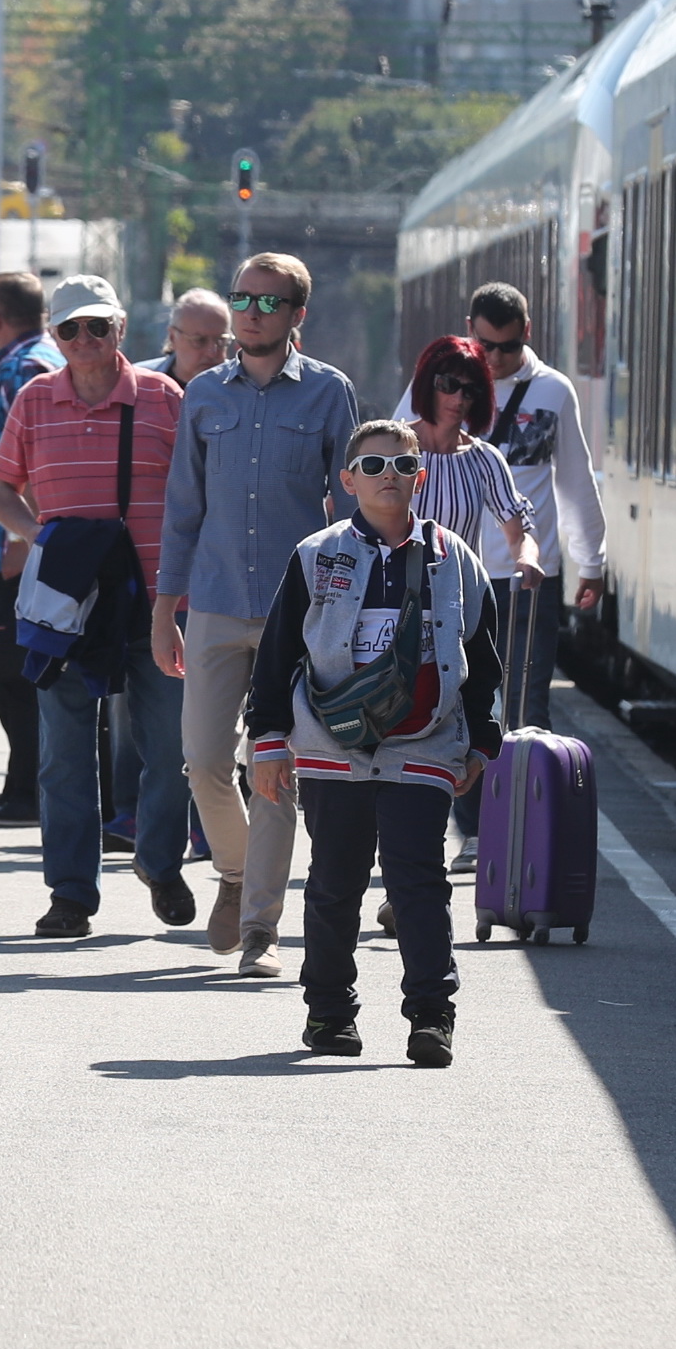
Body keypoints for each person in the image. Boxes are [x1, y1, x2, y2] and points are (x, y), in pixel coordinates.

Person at [248, 418, 501, 1069]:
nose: (391, 477)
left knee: (419, 880)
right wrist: (269, 741)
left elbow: (484, 659)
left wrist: (482, 743)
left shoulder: (456, 559)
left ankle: (431, 1016)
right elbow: (276, 658)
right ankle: (330, 1013)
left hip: (426, 740)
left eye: (405, 466)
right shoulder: (315, 555)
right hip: (332, 742)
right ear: (349, 479)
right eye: (376, 466)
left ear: (422, 476)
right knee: (335, 881)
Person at [152, 252, 360, 974]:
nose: (250, 312)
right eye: (243, 298)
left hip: (297, 613)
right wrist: (163, 609)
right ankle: (238, 874)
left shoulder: (331, 394)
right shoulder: (205, 394)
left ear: (297, 315)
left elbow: (355, 514)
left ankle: (262, 929)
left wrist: (352, 612)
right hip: (210, 600)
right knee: (205, 761)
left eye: (269, 303)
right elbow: (183, 508)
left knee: (274, 768)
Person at [0, 274, 192, 939]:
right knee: (65, 751)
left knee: (168, 745)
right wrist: (37, 537)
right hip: (67, 603)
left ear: (121, 330)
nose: (83, 339)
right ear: (54, 334)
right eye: (69, 328)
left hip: (156, 599)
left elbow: (196, 493)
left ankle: (160, 863)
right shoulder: (37, 399)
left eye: (97, 326)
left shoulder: (164, 399)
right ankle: (71, 892)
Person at [388, 280, 606, 732]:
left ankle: (513, 800)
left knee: (526, 712)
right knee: (443, 708)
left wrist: (591, 560)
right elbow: (388, 476)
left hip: (519, 582)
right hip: (435, 584)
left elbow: (575, 480)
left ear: (527, 331)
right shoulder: (435, 386)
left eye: (510, 346)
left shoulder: (553, 392)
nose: (497, 357)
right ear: (470, 330)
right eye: (487, 344)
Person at [400, 335, 539, 875]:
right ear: (427, 384)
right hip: (394, 609)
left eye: (469, 388)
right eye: (447, 385)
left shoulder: (483, 459)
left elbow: (515, 527)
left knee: (461, 721)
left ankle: (473, 833)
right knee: (402, 721)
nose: (457, 398)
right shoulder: (396, 449)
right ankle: (408, 848)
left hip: (461, 608)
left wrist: (526, 559)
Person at [0, 270, 59, 827]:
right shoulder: (30, 360)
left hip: (18, 550)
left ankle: (30, 793)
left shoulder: (25, 367)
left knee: (17, 677)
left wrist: (29, 535)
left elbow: (44, 451)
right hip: (14, 544)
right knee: (10, 675)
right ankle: (20, 786)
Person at [142, 288, 230, 384]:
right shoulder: (139, 384)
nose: (212, 352)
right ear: (173, 337)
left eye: (221, 341)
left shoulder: (244, 390)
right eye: (199, 340)